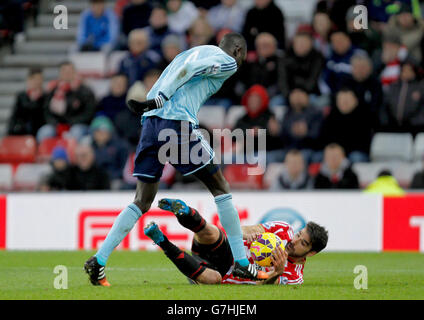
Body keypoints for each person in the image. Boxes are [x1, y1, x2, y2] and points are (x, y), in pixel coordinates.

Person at [84, 33, 268, 286]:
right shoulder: (227, 60)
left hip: (150, 124)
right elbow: (190, 70)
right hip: (175, 122)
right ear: (237, 50)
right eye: (243, 57)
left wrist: (154, 103)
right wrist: (161, 98)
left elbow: (180, 68)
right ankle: (242, 265)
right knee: (220, 187)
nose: (241, 64)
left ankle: (99, 261)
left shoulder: (192, 51)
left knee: (141, 199)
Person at [143, 198, 328, 285]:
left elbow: (260, 285)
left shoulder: (295, 277)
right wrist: (247, 234)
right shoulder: (283, 229)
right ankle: (184, 211)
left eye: (303, 243)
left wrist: (275, 273)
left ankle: (161, 241)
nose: (294, 241)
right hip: (227, 251)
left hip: (217, 274)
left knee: (213, 278)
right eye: (298, 234)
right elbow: (251, 229)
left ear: (310, 254)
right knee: (212, 233)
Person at [36, 61, 96, 143]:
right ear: (60, 73)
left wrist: (71, 122)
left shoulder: (85, 91)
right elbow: (46, 110)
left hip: (78, 125)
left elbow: (89, 113)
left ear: (74, 72)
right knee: (44, 132)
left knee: (75, 133)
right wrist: (54, 123)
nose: (67, 74)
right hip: (56, 125)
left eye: (69, 71)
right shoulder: (53, 90)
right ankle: (46, 155)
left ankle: (71, 155)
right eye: (64, 71)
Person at [319, 88, 372, 163]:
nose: (344, 102)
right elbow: (324, 139)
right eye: (341, 100)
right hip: (334, 152)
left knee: (356, 157)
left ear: (356, 101)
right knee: (318, 156)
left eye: (347, 100)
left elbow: (363, 142)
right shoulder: (331, 117)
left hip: (356, 152)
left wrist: (342, 151)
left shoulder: (364, 116)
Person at [89, 116, 129, 188]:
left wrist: (112, 176)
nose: (101, 134)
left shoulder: (121, 146)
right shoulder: (89, 146)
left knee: (116, 185)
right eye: (98, 131)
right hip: (95, 180)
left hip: (114, 179)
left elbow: (124, 167)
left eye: (104, 131)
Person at [7, 68, 46, 136]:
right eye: (36, 79)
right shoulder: (21, 96)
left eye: (40, 79)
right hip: (23, 129)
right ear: (30, 80)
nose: (38, 82)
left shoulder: (45, 96)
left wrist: (38, 99)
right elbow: (15, 115)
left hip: (39, 129)